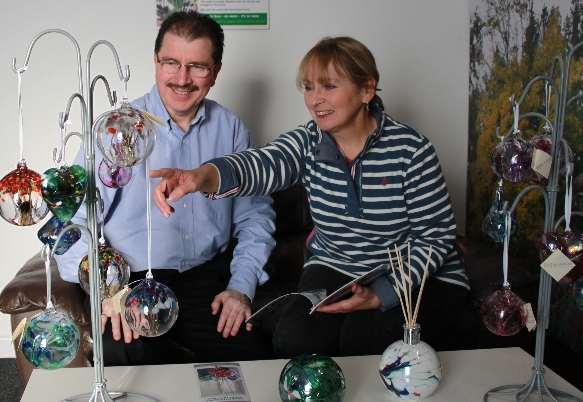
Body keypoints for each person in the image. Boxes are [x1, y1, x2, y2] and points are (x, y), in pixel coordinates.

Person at [150, 36, 470, 358]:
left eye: (329, 86)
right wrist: (201, 176)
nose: (315, 100)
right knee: (295, 340)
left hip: (418, 274)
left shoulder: (412, 151)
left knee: (367, 337)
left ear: (367, 90)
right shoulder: (308, 143)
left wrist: (381, 294)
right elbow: (261, 163)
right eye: (308, 87)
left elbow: (435, 238)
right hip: (337, 266)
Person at [55, 11, 276, 365]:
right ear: (156, 63)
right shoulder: (115, 130)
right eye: (171, 63)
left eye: (197, 66)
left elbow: (256, 218)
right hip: (127, 280)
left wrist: (240, 287)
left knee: (255, 362)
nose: (182, 79)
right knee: (122, 358)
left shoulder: (232, 129)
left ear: (216, 72)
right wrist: (106, 291)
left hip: (204, 279)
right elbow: (73, 217)